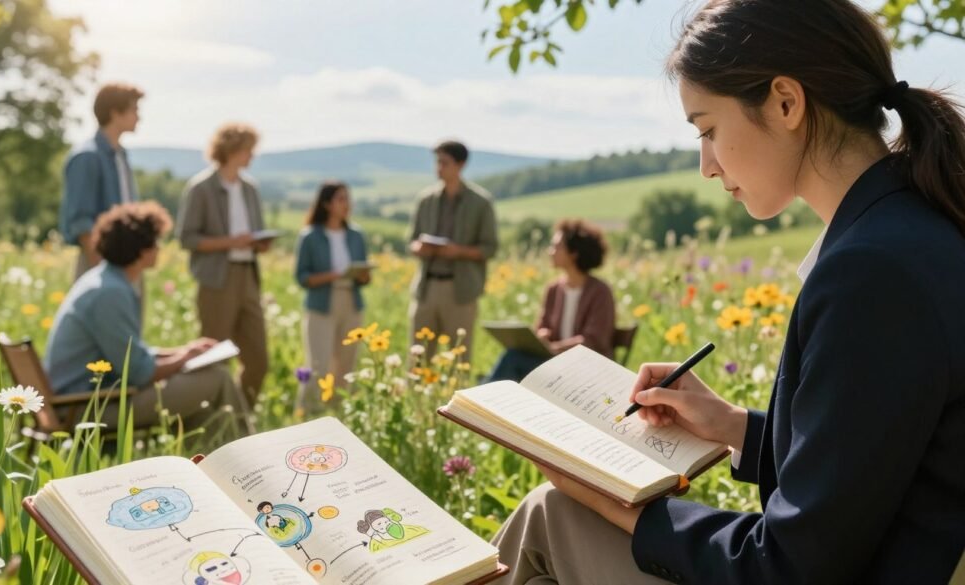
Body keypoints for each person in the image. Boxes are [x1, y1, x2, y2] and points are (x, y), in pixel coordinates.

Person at [492, 1, 965, 583]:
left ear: (786, 102)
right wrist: (732, 424)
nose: (705, 166)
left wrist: (625, 507)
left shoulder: (871, 272)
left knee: (552, 514)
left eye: (708, 129)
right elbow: (870, 465)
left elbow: (790, 565)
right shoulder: (910, 232)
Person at [45, 202, 247, 433]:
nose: (159, 249)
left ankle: (220, 461)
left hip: (87, 399)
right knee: (216, 378)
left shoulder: (104, 280)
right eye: (156, 243)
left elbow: (130, 353)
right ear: (141, 250)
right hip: (86, 407)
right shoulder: (111, 293)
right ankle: (252, 455)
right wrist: (184, 359)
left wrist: (183, 351)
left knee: (206, 416)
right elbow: (138, 372)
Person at [177, 123, 270, 404]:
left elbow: (254, 231)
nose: (251, 156)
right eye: (248, 150)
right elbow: (187, 238)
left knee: (258, 359)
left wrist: (258, 243)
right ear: (231, 150)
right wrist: (230, 242)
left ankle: (241, 415)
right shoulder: (201, 188)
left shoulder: (250, 189)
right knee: (214, 357)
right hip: (217, 279)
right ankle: (213, 417)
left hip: (248, 276)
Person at [486, 219, 615, 382]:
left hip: (587, 370)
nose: (550, 251)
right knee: (513, 356)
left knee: (513, 360)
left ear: (573, 253)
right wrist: (541, 336)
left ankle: (476, 401)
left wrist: (553, 348)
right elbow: (542, 326)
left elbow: (593, 341)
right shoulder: (553, 289)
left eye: (556, 246)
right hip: (555, 365)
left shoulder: (600, 292)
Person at [408, 140, 497, 359]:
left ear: (461, 164)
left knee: (459, 360)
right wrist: (420, 248)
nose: (438, 168)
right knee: (418, 360)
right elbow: (412, 241)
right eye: (437, 162)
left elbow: (490, 248)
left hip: (461, 292)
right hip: (426, 289)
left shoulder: (481, 203)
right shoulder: (425, 200)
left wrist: (457, 252)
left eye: (444, 162)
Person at [294, 181, 370, 414]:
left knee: (346, 363)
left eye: (348, 198)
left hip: (351, 301)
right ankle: (308, 411)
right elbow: (302, 277)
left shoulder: (356, 235)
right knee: (319, 364)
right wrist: (331, 276)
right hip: (321, 303)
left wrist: (363, 275)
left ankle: (339, 412)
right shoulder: (310, 237)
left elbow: (364, 276)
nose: (347, 204)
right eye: (341, 199)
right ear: (326, 204)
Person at [59, 83, 144, 280]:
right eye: (134, 110)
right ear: (115, 113)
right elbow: (82, 222)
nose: (139, 117)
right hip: (100, 264)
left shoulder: (121, 156)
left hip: (128, 262)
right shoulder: (87, 157)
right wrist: (104, 273)